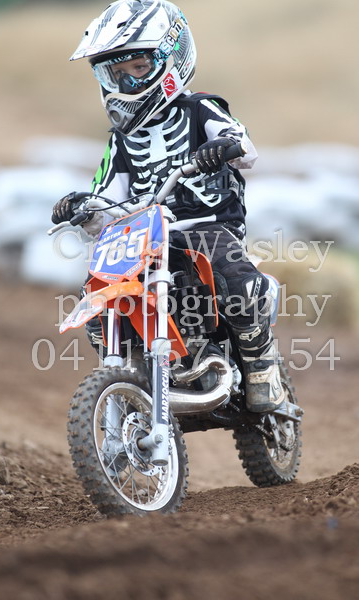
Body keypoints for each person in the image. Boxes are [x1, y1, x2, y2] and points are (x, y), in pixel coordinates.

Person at [51, 0, 284, 413]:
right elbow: (106, 198)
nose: (126, 81)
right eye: (116, 73)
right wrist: (81, 207)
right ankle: (128, 371)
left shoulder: (199, 108)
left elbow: (244, 147)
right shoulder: (120, 141)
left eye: (138, 68)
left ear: (171, 57)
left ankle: (260, 363)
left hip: (207, 224)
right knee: (98, 291)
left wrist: (221, 147)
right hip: (144, 236)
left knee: (235, 279)